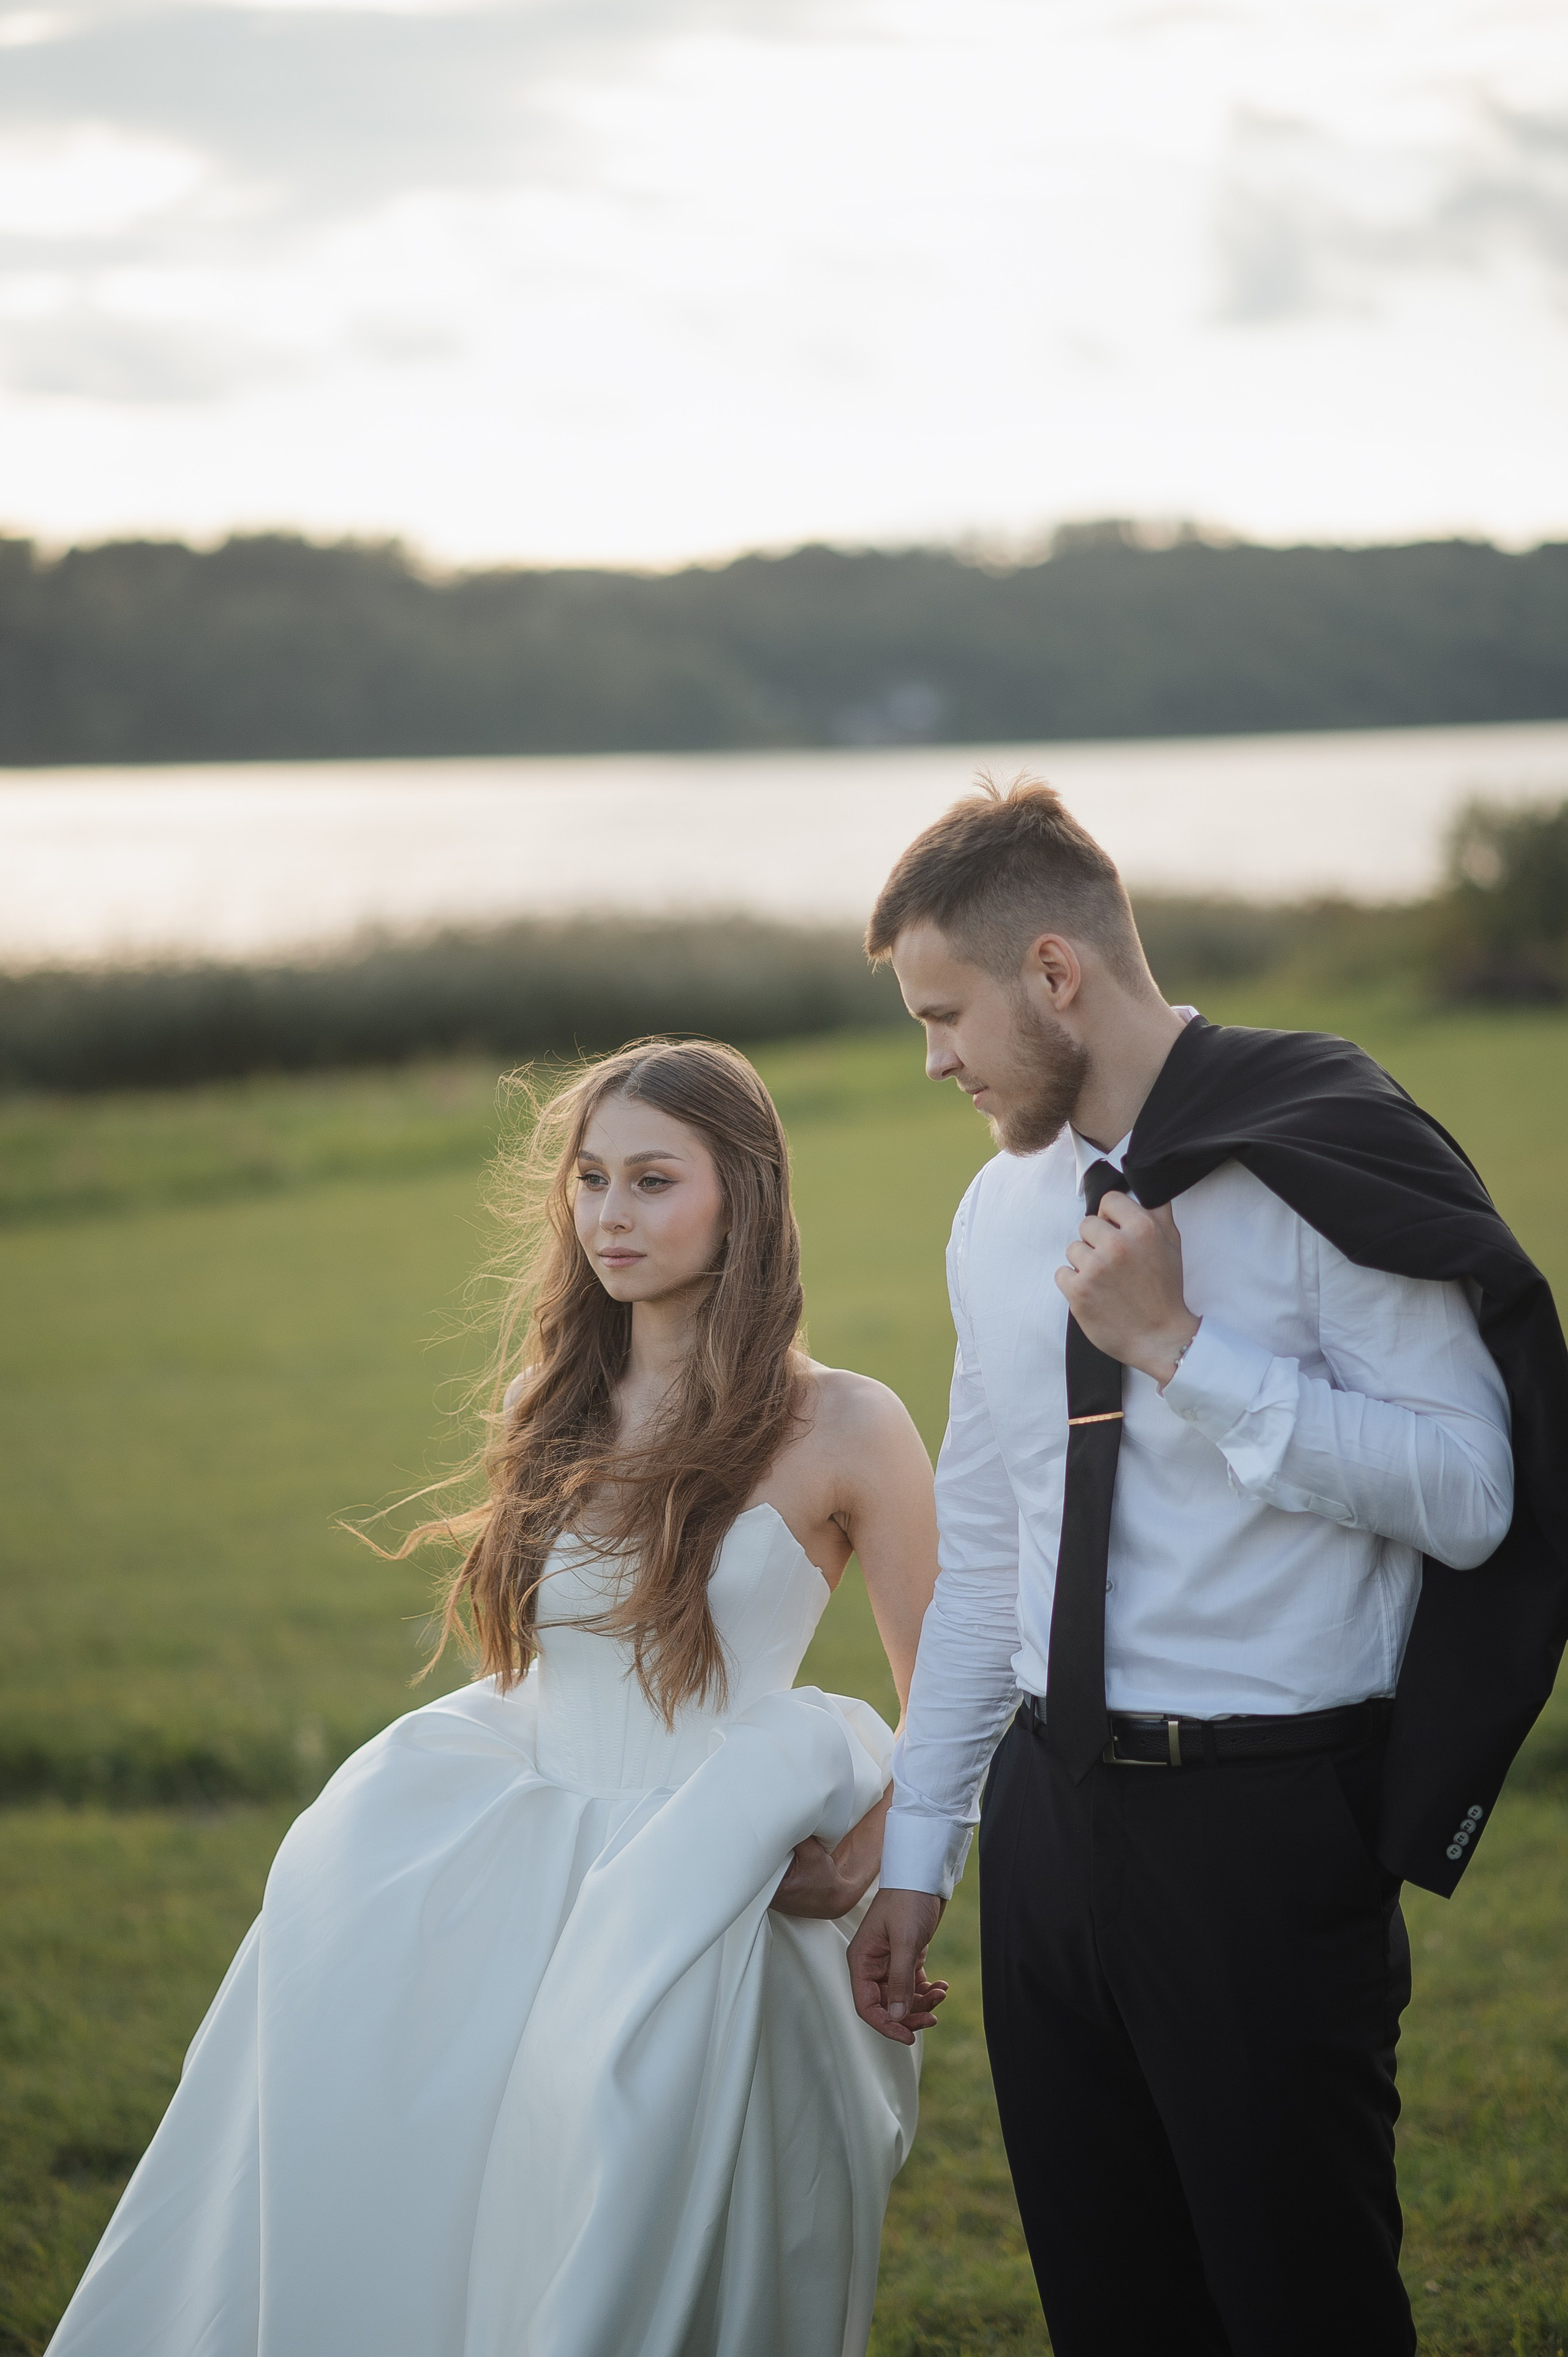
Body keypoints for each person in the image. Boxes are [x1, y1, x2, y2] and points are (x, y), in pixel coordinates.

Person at [49, 1037, 945, 2357]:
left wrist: (878, 1860)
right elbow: (549, 1659)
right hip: (531, 1878)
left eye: (651, 1180)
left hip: (720, 1889)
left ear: (742, 1194)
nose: (608, 1216)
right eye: (588, 1180)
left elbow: (953, 1685)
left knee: (655, 2241)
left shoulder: (846, 1425)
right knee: (475, 2222)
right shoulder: (556, 1398)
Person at [846, 778, 1567, 2357]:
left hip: (1259, 1832)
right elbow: (987, 1549)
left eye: (944, 1012)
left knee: (1298, 2302)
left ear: (1054, 973)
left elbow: (1471, 1492)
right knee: (1112, 2309)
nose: (932, 1059)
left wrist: (1180, 1348)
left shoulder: (1324, 1149)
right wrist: (924, 1847)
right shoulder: (997, 1211)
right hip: (1051, 1825)